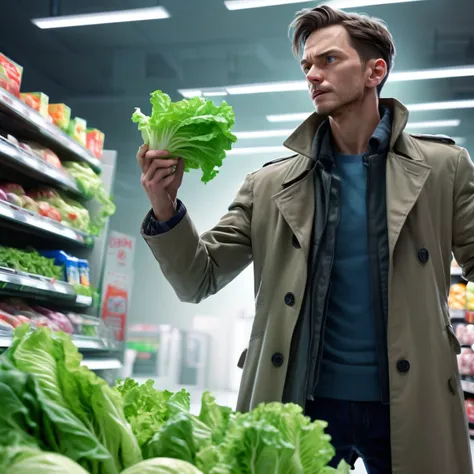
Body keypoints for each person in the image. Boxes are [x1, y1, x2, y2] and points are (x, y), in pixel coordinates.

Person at [137, 5, 474, 474]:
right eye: (308, 65)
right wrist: (164, 205)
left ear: (375, 70)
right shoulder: (269, 185)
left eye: (329, 60)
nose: (314, 74)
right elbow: (199, 278)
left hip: (408, 403)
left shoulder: (444, 168)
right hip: (298, 401)